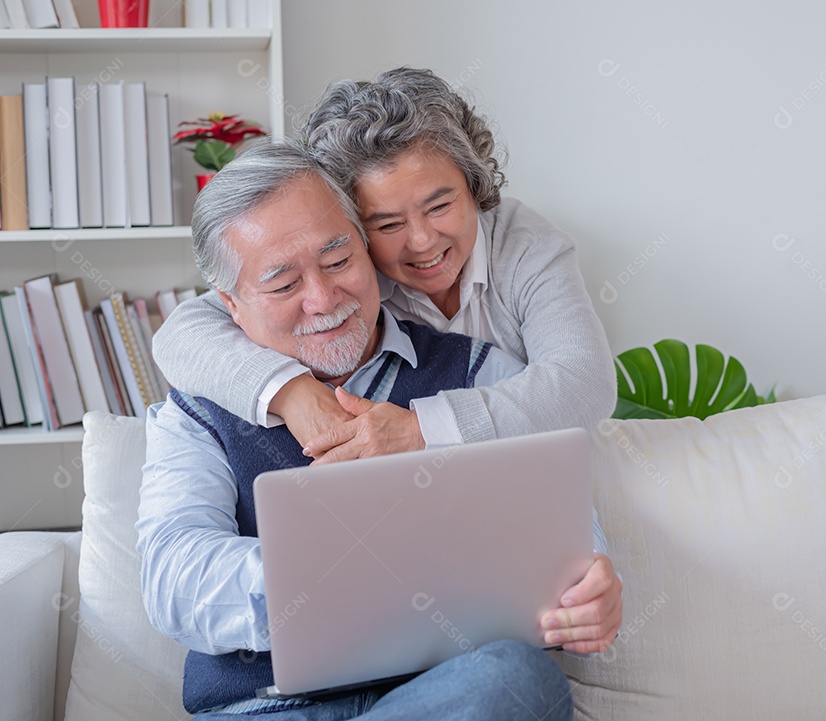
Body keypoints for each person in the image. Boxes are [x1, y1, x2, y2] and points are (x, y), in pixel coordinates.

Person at [136, 142, 623, 719]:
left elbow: (559, 522)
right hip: (265, 708)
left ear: (367, 252)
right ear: (230, 306)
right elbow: (171, 578)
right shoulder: (199, 409)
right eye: (283, 284)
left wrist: (590, 586)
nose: (323, 299)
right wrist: (333, 580)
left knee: (519, 680)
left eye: (338, 261)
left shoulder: (479, 370)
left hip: (443, 696)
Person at [152, 67, 616, 464]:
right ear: (350, 226)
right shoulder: (342, 271)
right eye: (387, 223)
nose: (422, 241)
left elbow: (585, 385)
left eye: (440, 207)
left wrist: (420, 430)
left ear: (474, 184)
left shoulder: (525, 246)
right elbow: (181, 335)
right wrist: (290, 392)